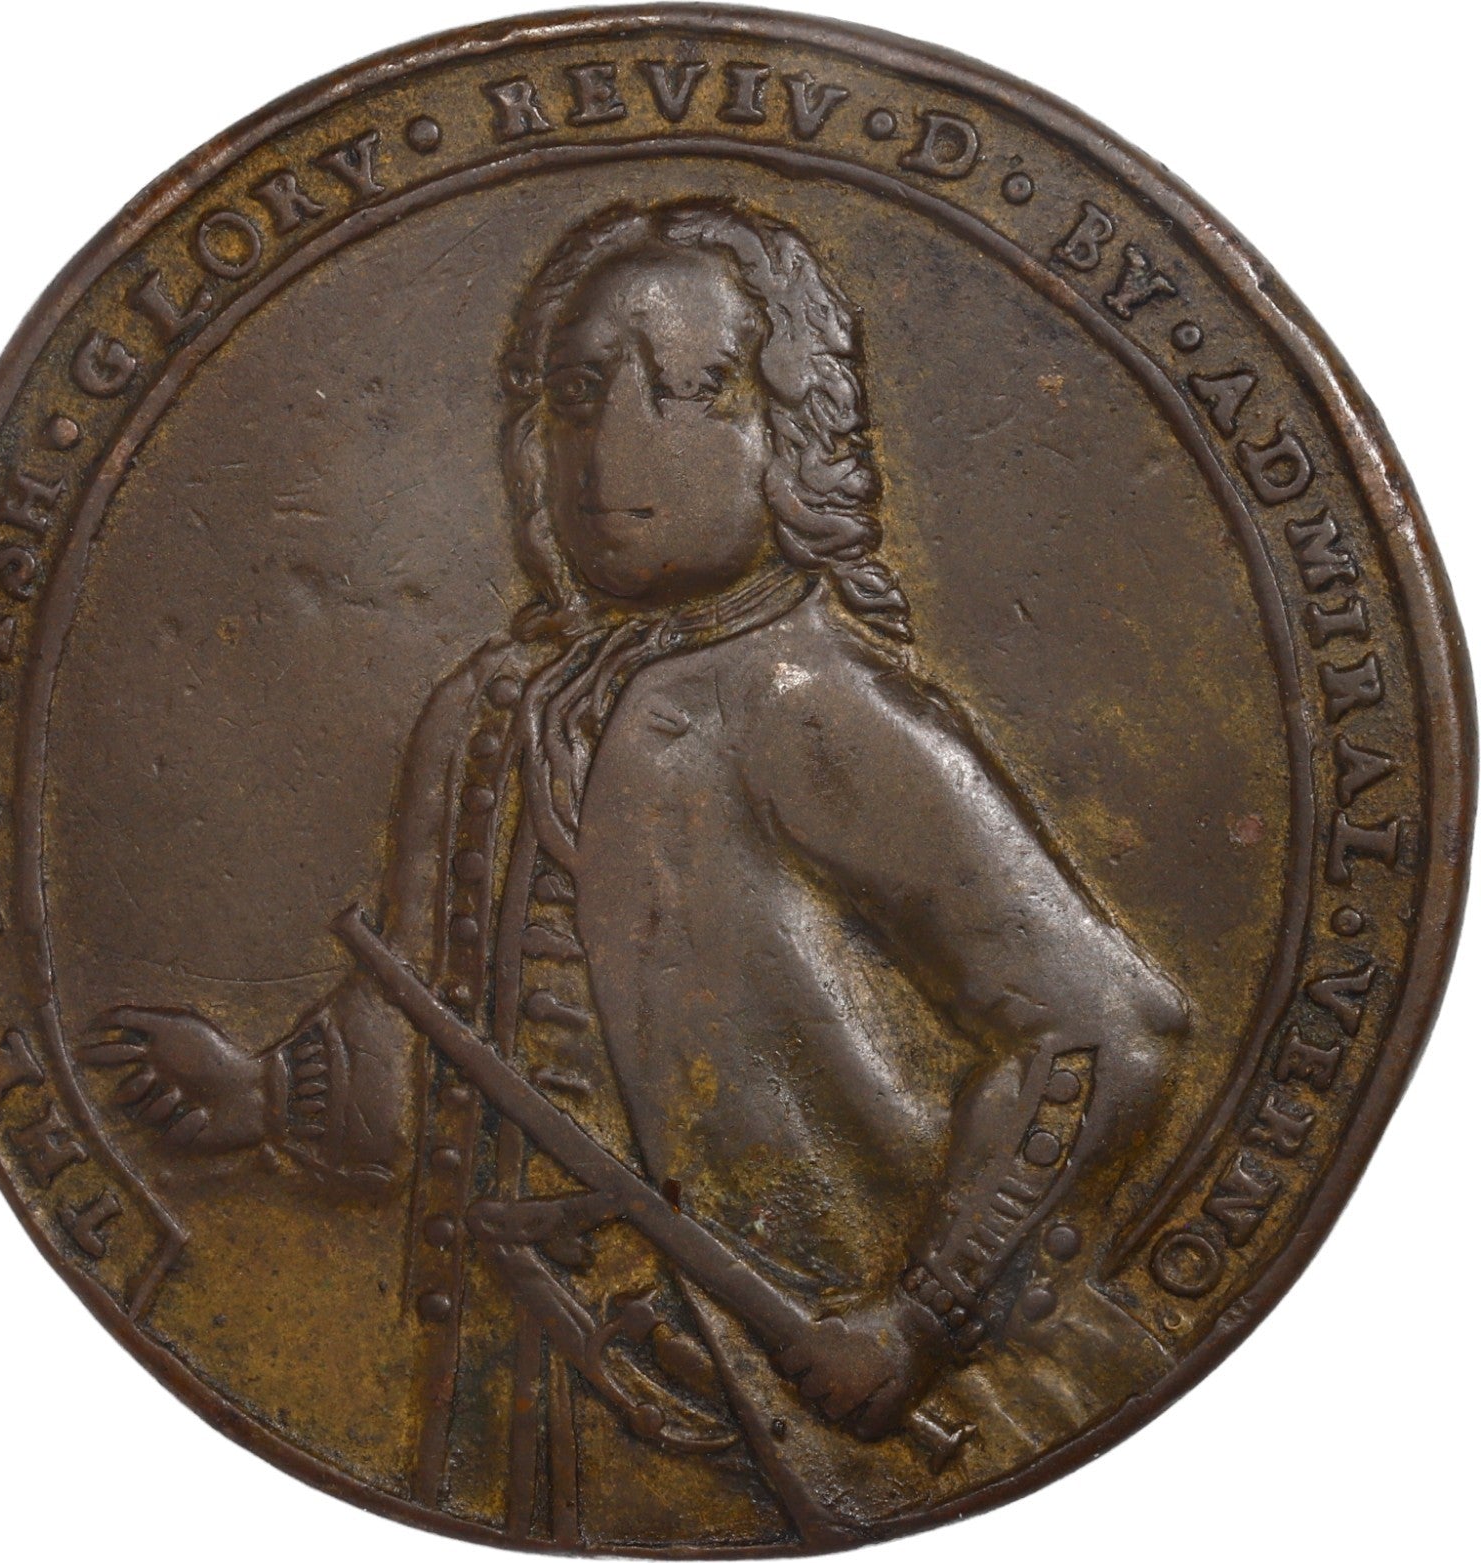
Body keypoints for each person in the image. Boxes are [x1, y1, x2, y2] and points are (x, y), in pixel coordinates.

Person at [86, 200, 1188, 1546]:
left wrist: (922, 1318)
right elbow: (423, 1040)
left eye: (688, 389)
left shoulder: (811, 710)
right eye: (580, 393)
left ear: (789, 433)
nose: (614, 446)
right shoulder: (491, 712)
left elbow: (1107, 1026)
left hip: (761, 1396)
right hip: (506, 1392)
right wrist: (265, 1094)